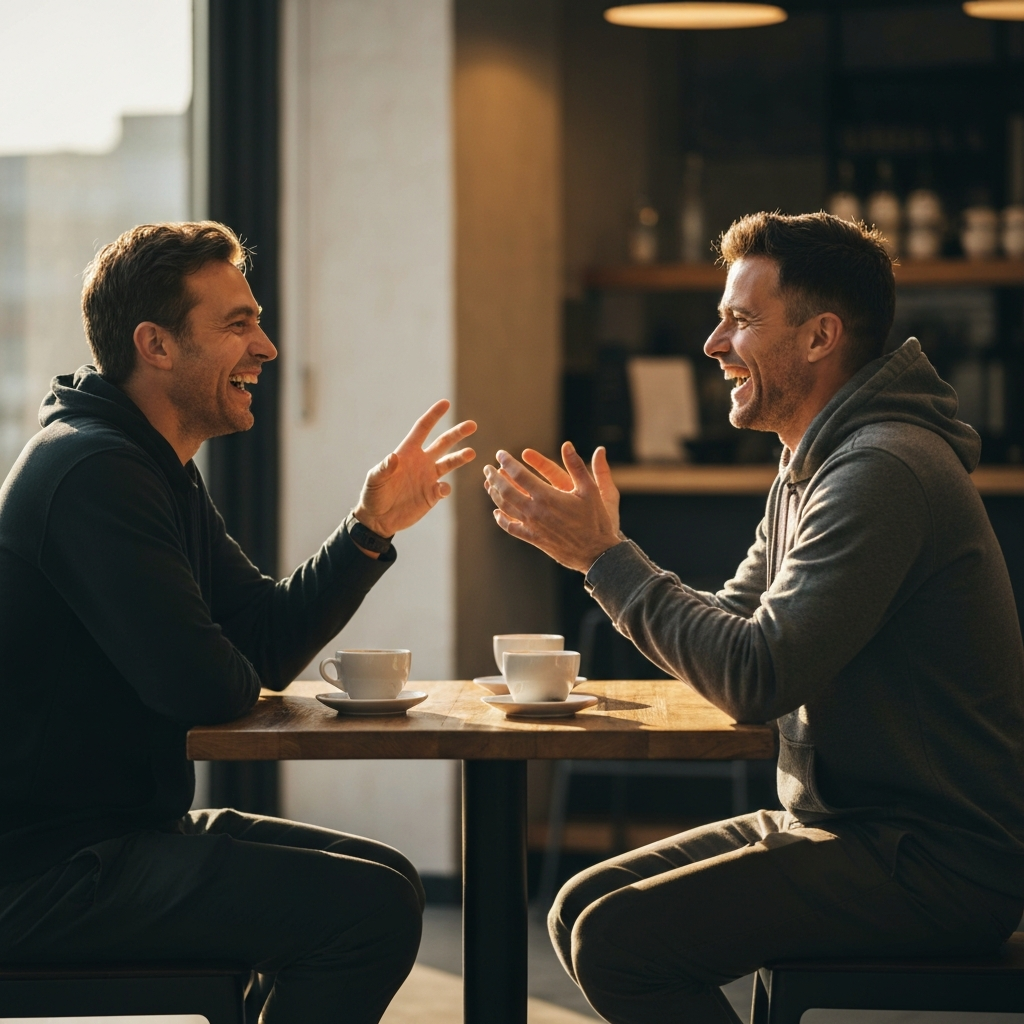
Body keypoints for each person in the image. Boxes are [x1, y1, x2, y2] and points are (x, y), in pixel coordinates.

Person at [483, 211, 1024, 1024]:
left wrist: (605, 557)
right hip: (847, 824)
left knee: (618, 939)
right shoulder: (814, 461)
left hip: (935, 857)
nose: (713, 343)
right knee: (581, 904)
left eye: (739, 320)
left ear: (819, 338)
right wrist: (600, 555)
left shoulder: (880, 468)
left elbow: (755, 674)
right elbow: (737, 622)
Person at [0, 221, 477, 1024]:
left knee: (390, 880)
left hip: (115, 833)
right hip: (42, 871)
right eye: (237, 324)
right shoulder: (94, 471)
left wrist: (370, 529)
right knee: (365, 911)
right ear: (155, 344)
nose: (268, 347)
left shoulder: (150, 466)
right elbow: (206, 685)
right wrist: (222, 658)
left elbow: (259, 638)